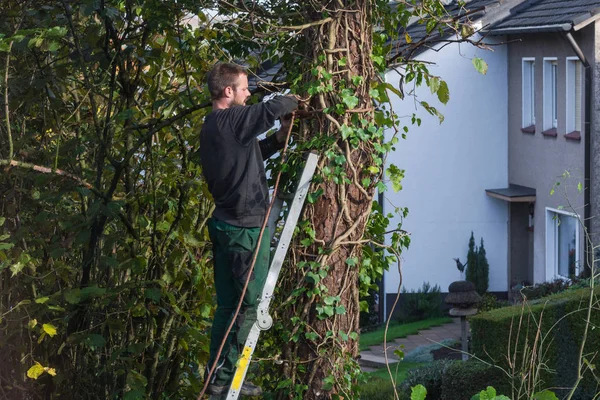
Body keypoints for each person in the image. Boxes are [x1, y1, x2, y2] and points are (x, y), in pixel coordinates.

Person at [199, 62, 298, 396]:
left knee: (228, 305)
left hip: (226, 225)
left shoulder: (213, 125)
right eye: (244, 89)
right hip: (244, 231)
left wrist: (279, 139)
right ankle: (227, 378)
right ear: (228, 91)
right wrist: (299, 99)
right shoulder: (232, 117)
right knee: (250, 304)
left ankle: (216, 376)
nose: (248, 94)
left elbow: (249, 154)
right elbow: (275, 106)